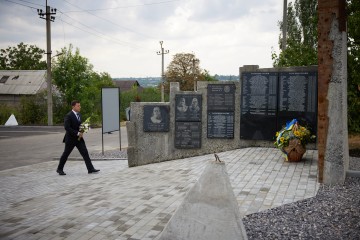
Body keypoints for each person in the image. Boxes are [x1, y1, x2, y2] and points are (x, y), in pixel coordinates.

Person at [56, 100, 100, 175]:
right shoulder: (68, 115)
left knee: (85, 153)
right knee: (66, 154)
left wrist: (85, 128)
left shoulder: (79, 114)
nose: (80, 107)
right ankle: (59, 169)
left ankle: (90, 169)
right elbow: (67, 127)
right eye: (78, 106)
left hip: (79, 139)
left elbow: (79, 125)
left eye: (80, 105)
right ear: (73, 106)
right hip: (70, 139)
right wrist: (77, 133)